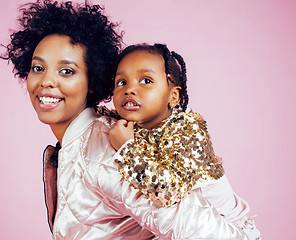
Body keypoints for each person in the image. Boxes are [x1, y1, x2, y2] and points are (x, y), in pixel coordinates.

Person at [1, 0, 256, 239]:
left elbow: (200, 227)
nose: (46, 81)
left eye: (67, 71)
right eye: (38, 68)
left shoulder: (103, 150)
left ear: (92, 82)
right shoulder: (84, 140)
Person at [109, 43, 261, 239]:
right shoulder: (136, 124)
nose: (130, 89)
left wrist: (127, 149)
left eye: (146, 80)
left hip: (226, 230)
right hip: (183, 228)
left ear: (173, 97)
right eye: (121, 82)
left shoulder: (187, 130)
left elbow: (168, 192)